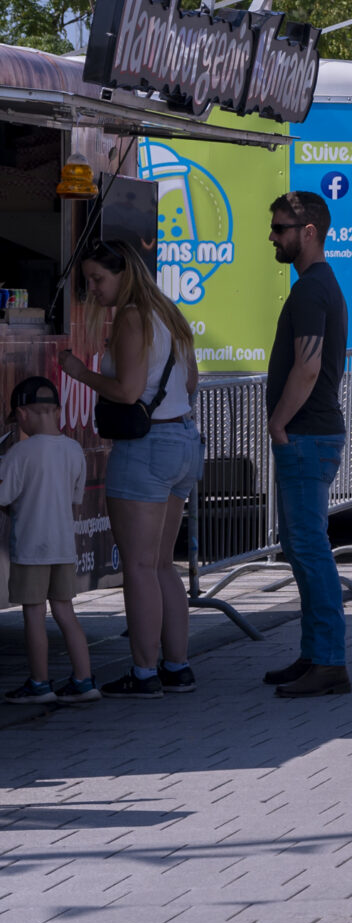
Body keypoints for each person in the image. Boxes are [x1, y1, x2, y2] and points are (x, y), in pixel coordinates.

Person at [56, 240, 200, 699]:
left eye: (98, 279)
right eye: (88, 280)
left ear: (124, 274)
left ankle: (143, 674)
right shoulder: (168, 315)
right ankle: (177, 667)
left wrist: (80, 372)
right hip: (181, 440)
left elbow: (128, 390)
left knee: (138, 567)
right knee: (161, 565)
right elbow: (191, 381)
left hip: (146, 446)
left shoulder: (132, 317)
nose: (93, 289)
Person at [262, 190, 352, 697]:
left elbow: (309, 365)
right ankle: (314, 653)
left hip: (307, 434)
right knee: (301, 547)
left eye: (280, 228)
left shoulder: (312, 290)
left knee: (310, 549)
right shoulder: (316, 286)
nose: (272, 237)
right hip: (311, 433)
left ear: (308, 232)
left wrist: (279, 423)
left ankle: (330, 661)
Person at [0, 378, 96, 705]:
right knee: (65, 611)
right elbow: (74, 499)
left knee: (33, 613)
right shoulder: (73, 450)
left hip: (30, 546)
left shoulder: (19, 453)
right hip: (63, 547)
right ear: (57, 410)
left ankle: (39, 683)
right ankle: (84, 681)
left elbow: (3, 495)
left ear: (22, 413)